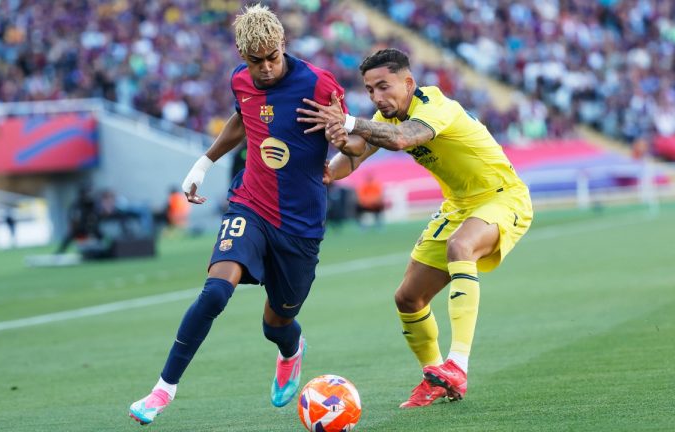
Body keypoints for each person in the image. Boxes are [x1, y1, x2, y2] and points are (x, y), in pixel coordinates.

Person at [128, 5, 350, 425]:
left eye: (272, 57)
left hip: (300, 226)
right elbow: (242, 118)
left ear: (283, 45)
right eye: (255, 61)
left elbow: (353, 144)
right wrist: (203, 164)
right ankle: (162, 390)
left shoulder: (320, 84)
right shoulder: (240, 80)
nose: (265, 68)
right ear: (241, 55)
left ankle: (291, 350)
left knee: (277, 323)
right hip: (250, 204)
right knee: (214, 293)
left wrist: (344, 135)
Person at [297, 48, 533, 408]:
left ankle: (458, 365)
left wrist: (348, 122)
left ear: (408, 82)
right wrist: (328, 167)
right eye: (370, 89)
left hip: (503, 197)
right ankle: (434, 377)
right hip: (458, 205)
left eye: (383, 86)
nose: (377, 96)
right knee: (408, 298)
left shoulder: (434, 106)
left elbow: (402, 138)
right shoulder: (384, 115)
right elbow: (356, 152)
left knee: (460, 247)